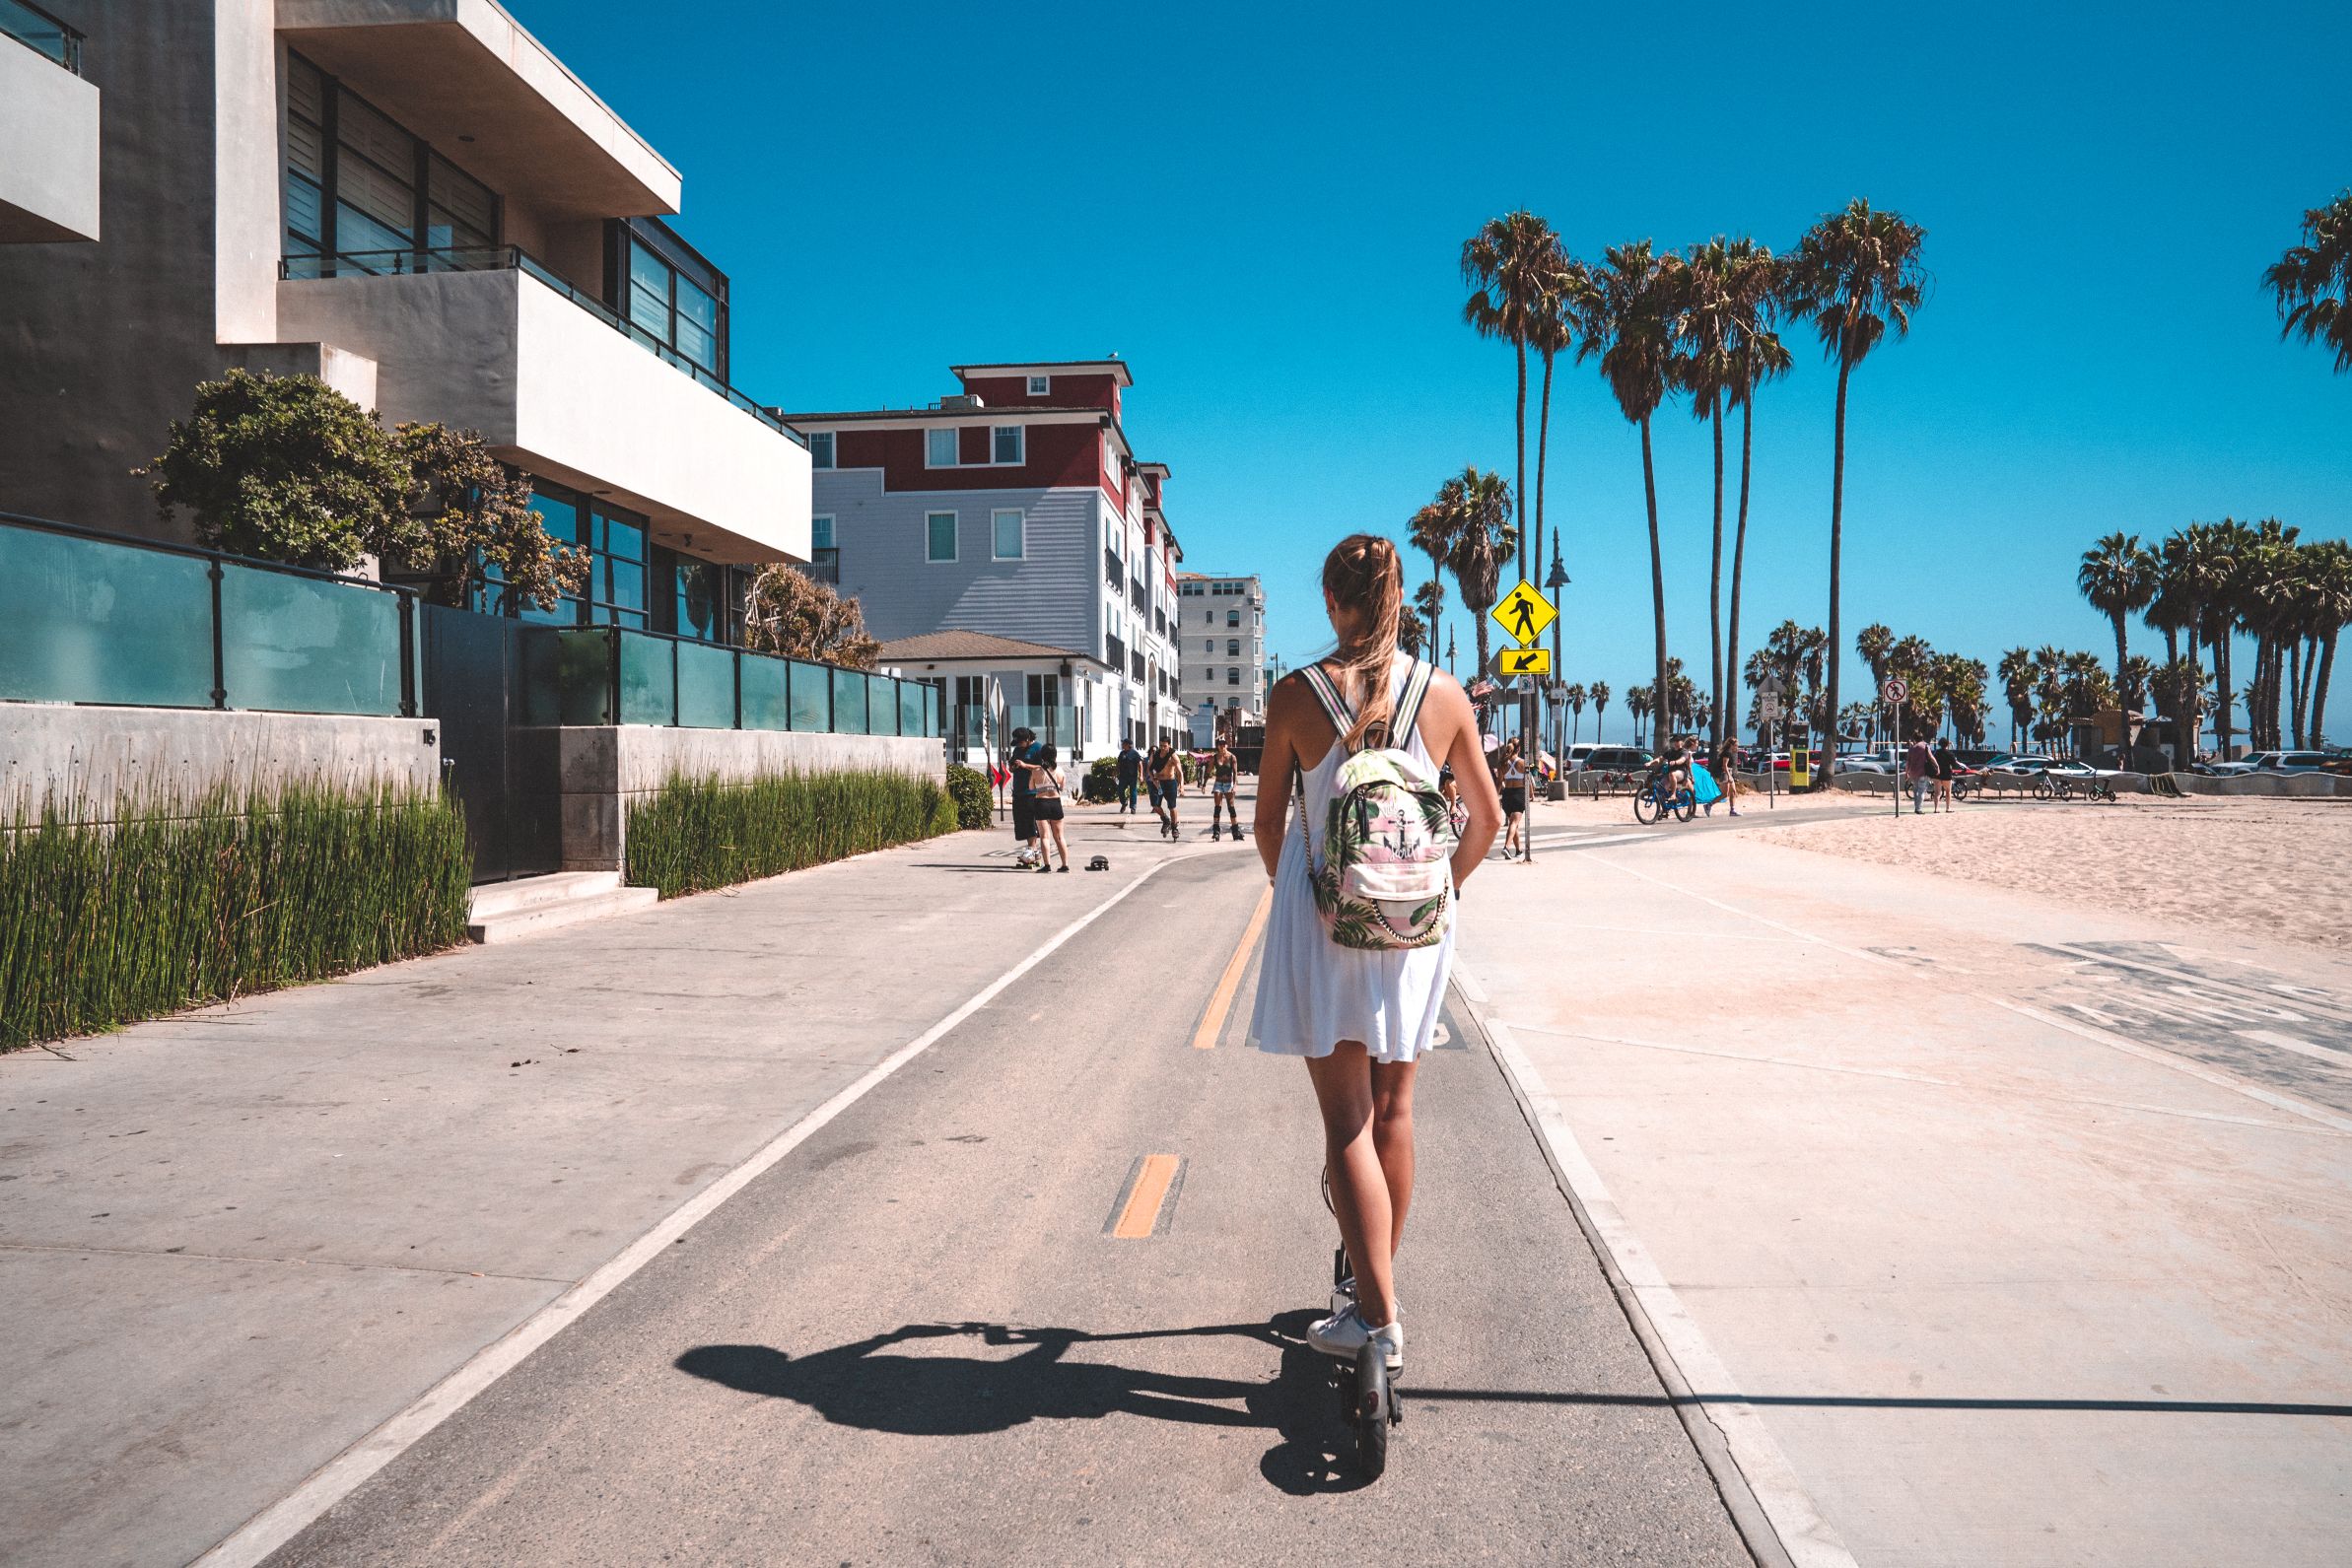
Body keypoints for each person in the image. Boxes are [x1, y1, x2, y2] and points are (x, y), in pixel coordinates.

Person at [1250, 533, 1502, 1376]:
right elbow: (1489, 822)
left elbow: (1268, 827)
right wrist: (1440, 893)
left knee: (1345, 1120)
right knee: (1393, 1114)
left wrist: (1312, 895)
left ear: (1332, 600)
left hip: (1328, 926)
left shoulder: (1294, 693)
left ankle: (1379, 1317)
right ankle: (1373, 1290)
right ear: (1398, 595)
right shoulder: (1445, 695)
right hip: (1417, 935)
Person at [1022, 745, 1072, 871]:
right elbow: (1062, 787)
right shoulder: (1060, 770)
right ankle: (1065, 865)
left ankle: (1047, 865)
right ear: (1055, 755)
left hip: (1041, 803)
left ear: (1042, 756)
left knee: (1045, 836)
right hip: (1056, 803)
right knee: (1060, 837)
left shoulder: (1036, 770)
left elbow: (1031, 788)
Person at [1005, 728, 1043, 866]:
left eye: (1020, 742)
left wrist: (1025, 765)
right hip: (1018, 791)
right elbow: (1012, 764)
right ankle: (1034, 851)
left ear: (1027, 739)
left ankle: (1032, 850)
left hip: (1031, 792)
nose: (1018, 745)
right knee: (1021, 822)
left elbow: (1042, 767)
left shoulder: (1038, 749)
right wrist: (1013, 766)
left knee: (1030, 821)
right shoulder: (1017, 750)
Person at [1496, 738, 1529, 859]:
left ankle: (1518, 850)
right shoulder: (1523, 762)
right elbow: (1527, 780)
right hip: (1518, 794)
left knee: (1513, 824)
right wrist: (1531, 794)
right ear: (1519, 748)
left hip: (1507, 796)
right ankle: (1506, 848)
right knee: (1514, 823)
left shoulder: (1503, 763)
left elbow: (1499, 782)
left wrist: (1495, 797)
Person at [1147, 739, 1183, 840]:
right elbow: (1149, 768)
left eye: (1165, 746)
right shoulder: (1155, 754)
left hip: (1170, 783)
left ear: (1169, 746)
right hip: (1159, 783)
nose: (1163, 748)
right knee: (1155, 805)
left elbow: (1180, 772)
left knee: (1172, 807)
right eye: (1161, 746)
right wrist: (1153, 780)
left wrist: (1182, 786)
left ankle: (1174, 827)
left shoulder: (1173, 756)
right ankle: (1165, 819)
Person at [1209, 739, 1243, 841]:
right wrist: (1203, 783)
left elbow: (1235, 773)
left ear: (1226, 746)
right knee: (1217, 808)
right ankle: (1216, 831)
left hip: (1228, 783)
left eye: (1224, 745)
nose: (1222, 747)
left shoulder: (1232, 757)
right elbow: (1208, 770)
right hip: (1218, 783)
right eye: (1220, 745)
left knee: (1231, 808)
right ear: (1218, 746)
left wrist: (1235, 785)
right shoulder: (1214, 757)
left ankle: (1236, 831)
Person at [1904, 735, 1933, 815]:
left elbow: (1908, 762)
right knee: (1921, 791)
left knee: (1916, 790)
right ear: (1922, 739)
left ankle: (1916, 807)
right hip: (1923, 772)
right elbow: (1931, 757)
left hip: (1913, 772)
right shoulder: (1925, 746)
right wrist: (1936, 766)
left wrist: (1906, 773)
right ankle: (1919, 808)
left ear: (1915, 739)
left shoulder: (1912, 749)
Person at [1115, 738, 1142, 815]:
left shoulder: (1135, 753)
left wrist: (1141, 775)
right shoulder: (1122, 753)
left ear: (1127, 745)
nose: (1122, 745)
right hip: (1123, 776)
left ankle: (1133, 807)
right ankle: (1124, 803)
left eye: (1123, 743)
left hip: (1132, 776)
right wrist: (1115, 773)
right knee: (1120, 790)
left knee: (1133, 791)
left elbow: (1140, 764)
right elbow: (1118, 764)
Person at [1932, 738, 1957, 813]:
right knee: (1948, 791)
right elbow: (1954, 765)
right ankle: (1947, 808)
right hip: (1947, 774)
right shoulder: (1950, 754)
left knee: (1937, 793)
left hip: (1937, 774)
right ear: (1947, 745)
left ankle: (1936, 808)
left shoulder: (1936, 753)